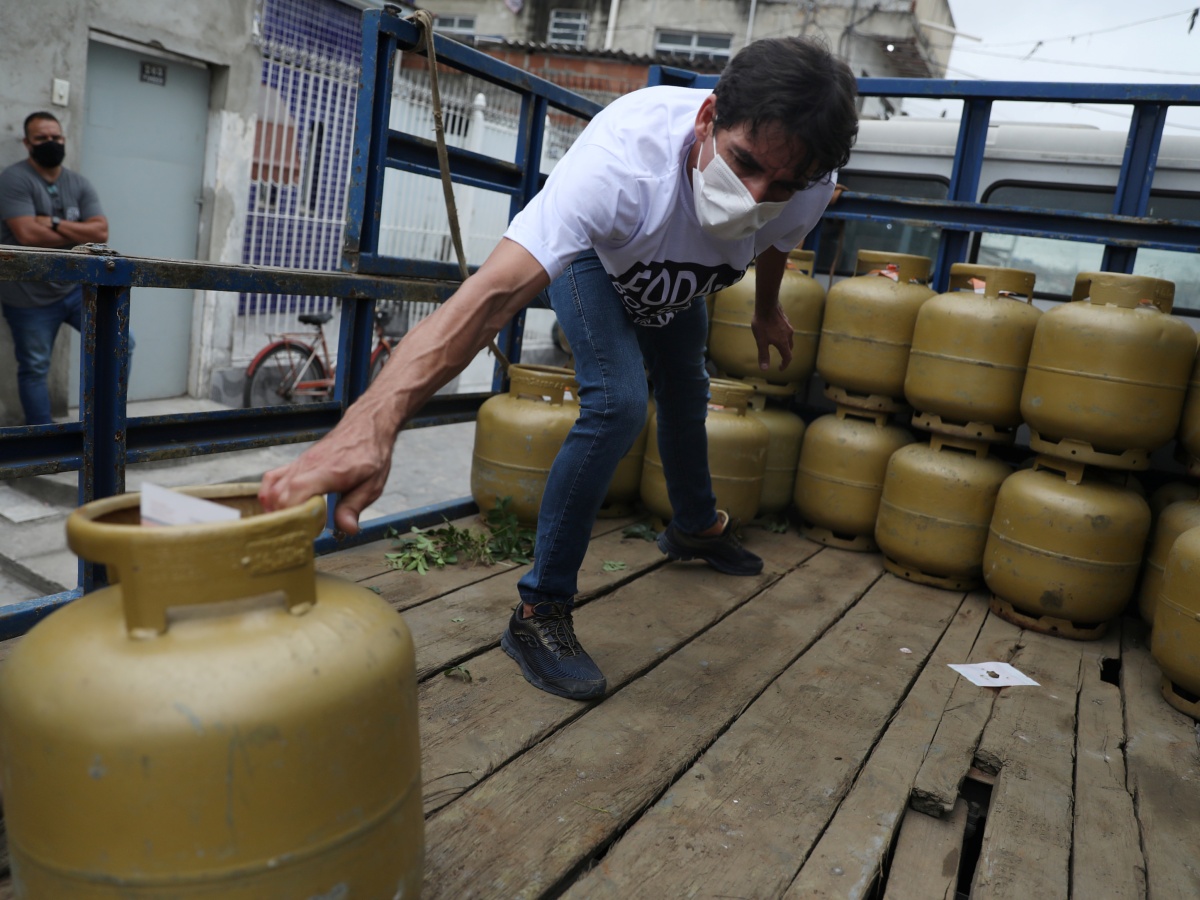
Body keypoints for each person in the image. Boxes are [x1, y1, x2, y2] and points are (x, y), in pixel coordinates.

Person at [261, 36, 859, 701]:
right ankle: (538, 611)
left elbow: (776, 237)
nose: (753, 197)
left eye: (779, 185)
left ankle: (694, 527)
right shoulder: (620, 165)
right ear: (708, 117)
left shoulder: (808, 178)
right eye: (744, 164)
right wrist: (372, 421)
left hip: (677, 290)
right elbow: (487, 297)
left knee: (689, 391)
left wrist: (768, 308)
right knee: (621, 403)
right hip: (596, 267)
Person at [0, 111, 108, 426]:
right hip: (27, 296)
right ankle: (44, 441)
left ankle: (101, 421)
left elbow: (100, 233)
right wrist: (77, 232)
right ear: (27, 143)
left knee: (121, 341)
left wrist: (56, 222)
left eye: (56, 137)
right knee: (34, 367)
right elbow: (28, 235)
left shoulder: (78, 183)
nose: (51, 143)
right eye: (42, 138)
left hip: (73, 289)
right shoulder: (14, 179)